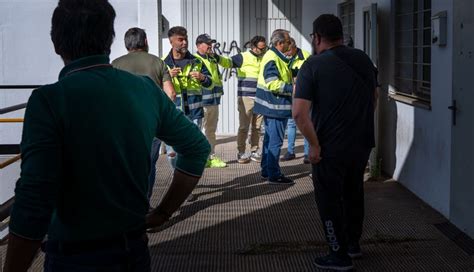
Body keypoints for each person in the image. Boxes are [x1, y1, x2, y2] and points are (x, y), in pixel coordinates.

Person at [4, 1, 210, 271]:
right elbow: (196, 148)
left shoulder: (49, 101)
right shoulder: (145, 90)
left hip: (71, 256)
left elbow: (34, 198)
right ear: (110, 39)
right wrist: (162, 211)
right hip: (132, 250)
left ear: (56, 43)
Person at [293, 14, 378, 271]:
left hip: (330, 147)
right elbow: (373, 97)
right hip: (361, 143)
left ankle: (338, 254)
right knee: (354, 192)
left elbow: (298, 113)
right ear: (341, 35)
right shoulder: (363, 59)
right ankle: (353, 245)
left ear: (317, 37)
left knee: (329, 199)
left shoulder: (313, 65)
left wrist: (315, 146)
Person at [112, 27, 176, 202]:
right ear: (146, 42)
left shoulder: (115, 64)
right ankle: (144, 204)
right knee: (148, 164)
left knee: (125, 164)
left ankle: (126, 203)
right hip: (152, 123)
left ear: (126, 44)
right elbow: (171, 94)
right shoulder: (157, 62)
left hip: (123, 124)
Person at [163, 26, 213, 168]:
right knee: (173, 151)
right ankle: (176, 176)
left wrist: (203, 78)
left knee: (192, 149)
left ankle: (186, 178)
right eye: (180, 40)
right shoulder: (162, 63)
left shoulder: (197, 61)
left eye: (186, 39)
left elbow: (210, 84)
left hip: (195, 114)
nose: (184, 43)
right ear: (171, 41)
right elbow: (156, 88)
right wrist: (167, 78)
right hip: (172, 114)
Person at [252, 29, 294, 184]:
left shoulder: (275, 56)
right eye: (288, 41)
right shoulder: (272, 58)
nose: (290, 44)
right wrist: (292, 88)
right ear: (279, 43)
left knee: (269, 141)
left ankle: (266, 170)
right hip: (275, 108)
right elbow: (272, 83)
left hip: (272, 107)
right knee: (275, 142)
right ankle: (274, 175)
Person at [218, 36, 267, 164]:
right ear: (253, 46)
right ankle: (241, 152)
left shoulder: (264, 57)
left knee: (257, 127)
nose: (262, 51)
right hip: (246, 97)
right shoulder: (243, 56)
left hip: (260, 97)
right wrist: (216, 57)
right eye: (260, 48)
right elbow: (227, 62)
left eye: (264, 48)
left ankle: (255, 150)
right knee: (244, 127)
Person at [194, 34, 227, 168]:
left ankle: (210, 157)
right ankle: (200, 158)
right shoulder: (194, 60)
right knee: (200, 131)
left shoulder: (212, 58)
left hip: (213, 101)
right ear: (198, 45)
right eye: (207, 43)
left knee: (211, 131)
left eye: (211, 43)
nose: (210, 46)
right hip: (202, 102)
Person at [281, 38, 311, 163]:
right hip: (291, 93)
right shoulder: (284, 57)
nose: (287, 53)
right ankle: (290, 151)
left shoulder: (306, 56)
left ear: (294, 47)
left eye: (288, 51)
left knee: (306, 122)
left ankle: (307, 154)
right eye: (285, 51)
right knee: (291, 123)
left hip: (305, 93)